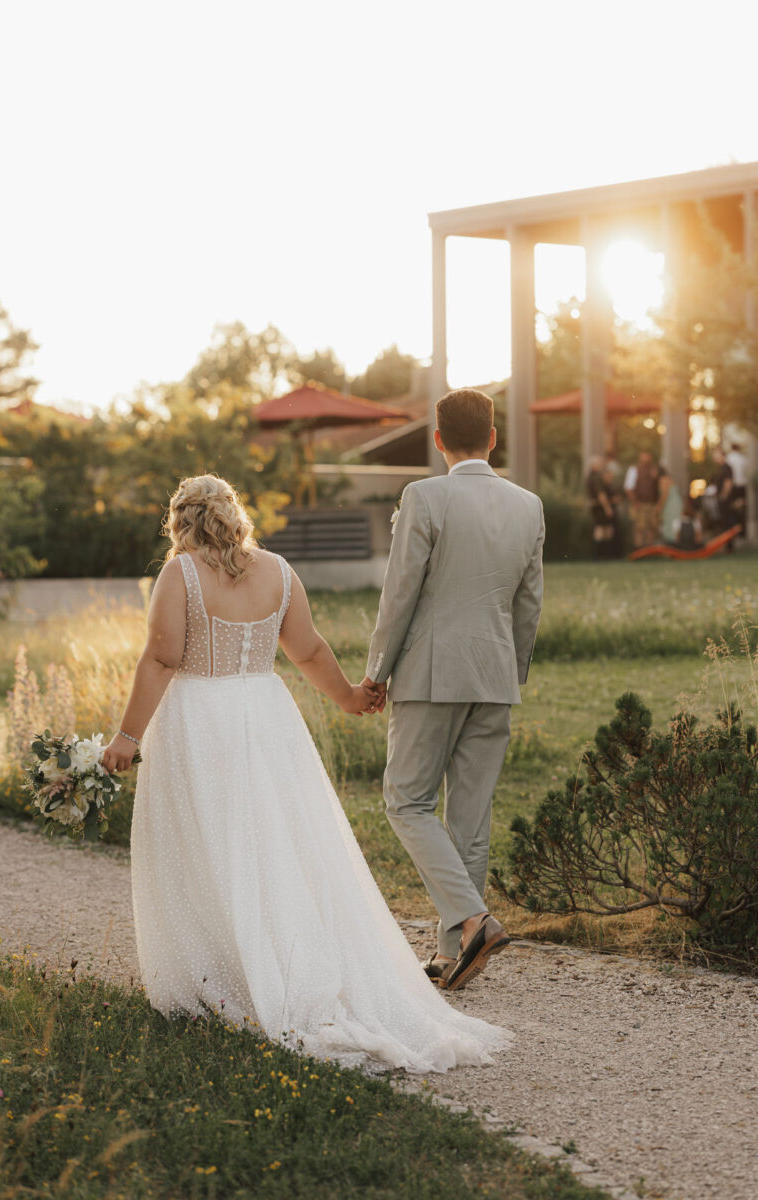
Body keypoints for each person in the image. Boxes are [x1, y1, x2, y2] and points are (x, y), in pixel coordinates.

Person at [102, 473, 511, 1074]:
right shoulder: (277, 570)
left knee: (210, 846)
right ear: (234, 514)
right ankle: (284, 960)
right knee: (277, 845)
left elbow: (163, 658)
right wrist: (348, 697)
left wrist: (128, 736)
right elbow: (310, 650)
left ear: (180, 521)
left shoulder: (180, 573)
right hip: (267, 717)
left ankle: (228, 975)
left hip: (202, 718)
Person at [362, 389, 544, 993]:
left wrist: (377, 671)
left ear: (438, 440)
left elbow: (400, 592)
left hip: (431, 673)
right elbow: (528, 604)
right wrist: (509, 673)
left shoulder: (424, 495)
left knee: (406, 801)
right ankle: (454, 954)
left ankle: (473, 922)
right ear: (494, 438)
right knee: (470, 819)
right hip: (495, 677)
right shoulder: (529, 506)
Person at [626, 451, 660, 549]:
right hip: (640, 503)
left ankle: (650, 550)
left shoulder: (654, 470)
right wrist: (635, 502)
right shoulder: (634, 470)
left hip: (652, 503)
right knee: (639, 527)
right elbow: (629, 488)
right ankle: (639, 549)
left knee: (652, 527)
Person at [586, 456, 615, 558]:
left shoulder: (590, 476)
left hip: (597, 508)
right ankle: (602, 556)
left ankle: (602, 555)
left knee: (603, 530)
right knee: (601, 531)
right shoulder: (596, 477)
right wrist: (608, 508)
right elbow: (601, 495)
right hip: (599, 509)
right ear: (595, 465)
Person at [710, 447, 736, 552]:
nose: (714, 456)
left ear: (722, 455)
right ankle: (726, 545)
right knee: (723, 522)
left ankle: (729, 547)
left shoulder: (726, 467)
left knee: (727, 522)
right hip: (721, 498)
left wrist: (723, 496)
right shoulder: (720, 468)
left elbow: (728, 483)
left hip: (725, 499)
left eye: (716, 454)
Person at [726, 441, 749, 539]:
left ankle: (735, 531)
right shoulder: (743, 459)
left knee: (733, 509)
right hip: (742, 486)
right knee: (742, 508)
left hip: (734, 487)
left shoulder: (729, 458)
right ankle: (742, 531)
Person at [656, 464, 683, 545]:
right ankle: (675, 542)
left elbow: (665, 494)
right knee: (674, 523)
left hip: (672, 504)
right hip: (674, 503)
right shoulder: (667, 479)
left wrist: (659, 506)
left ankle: (672, 543)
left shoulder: (663, 479)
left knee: (671, 522)